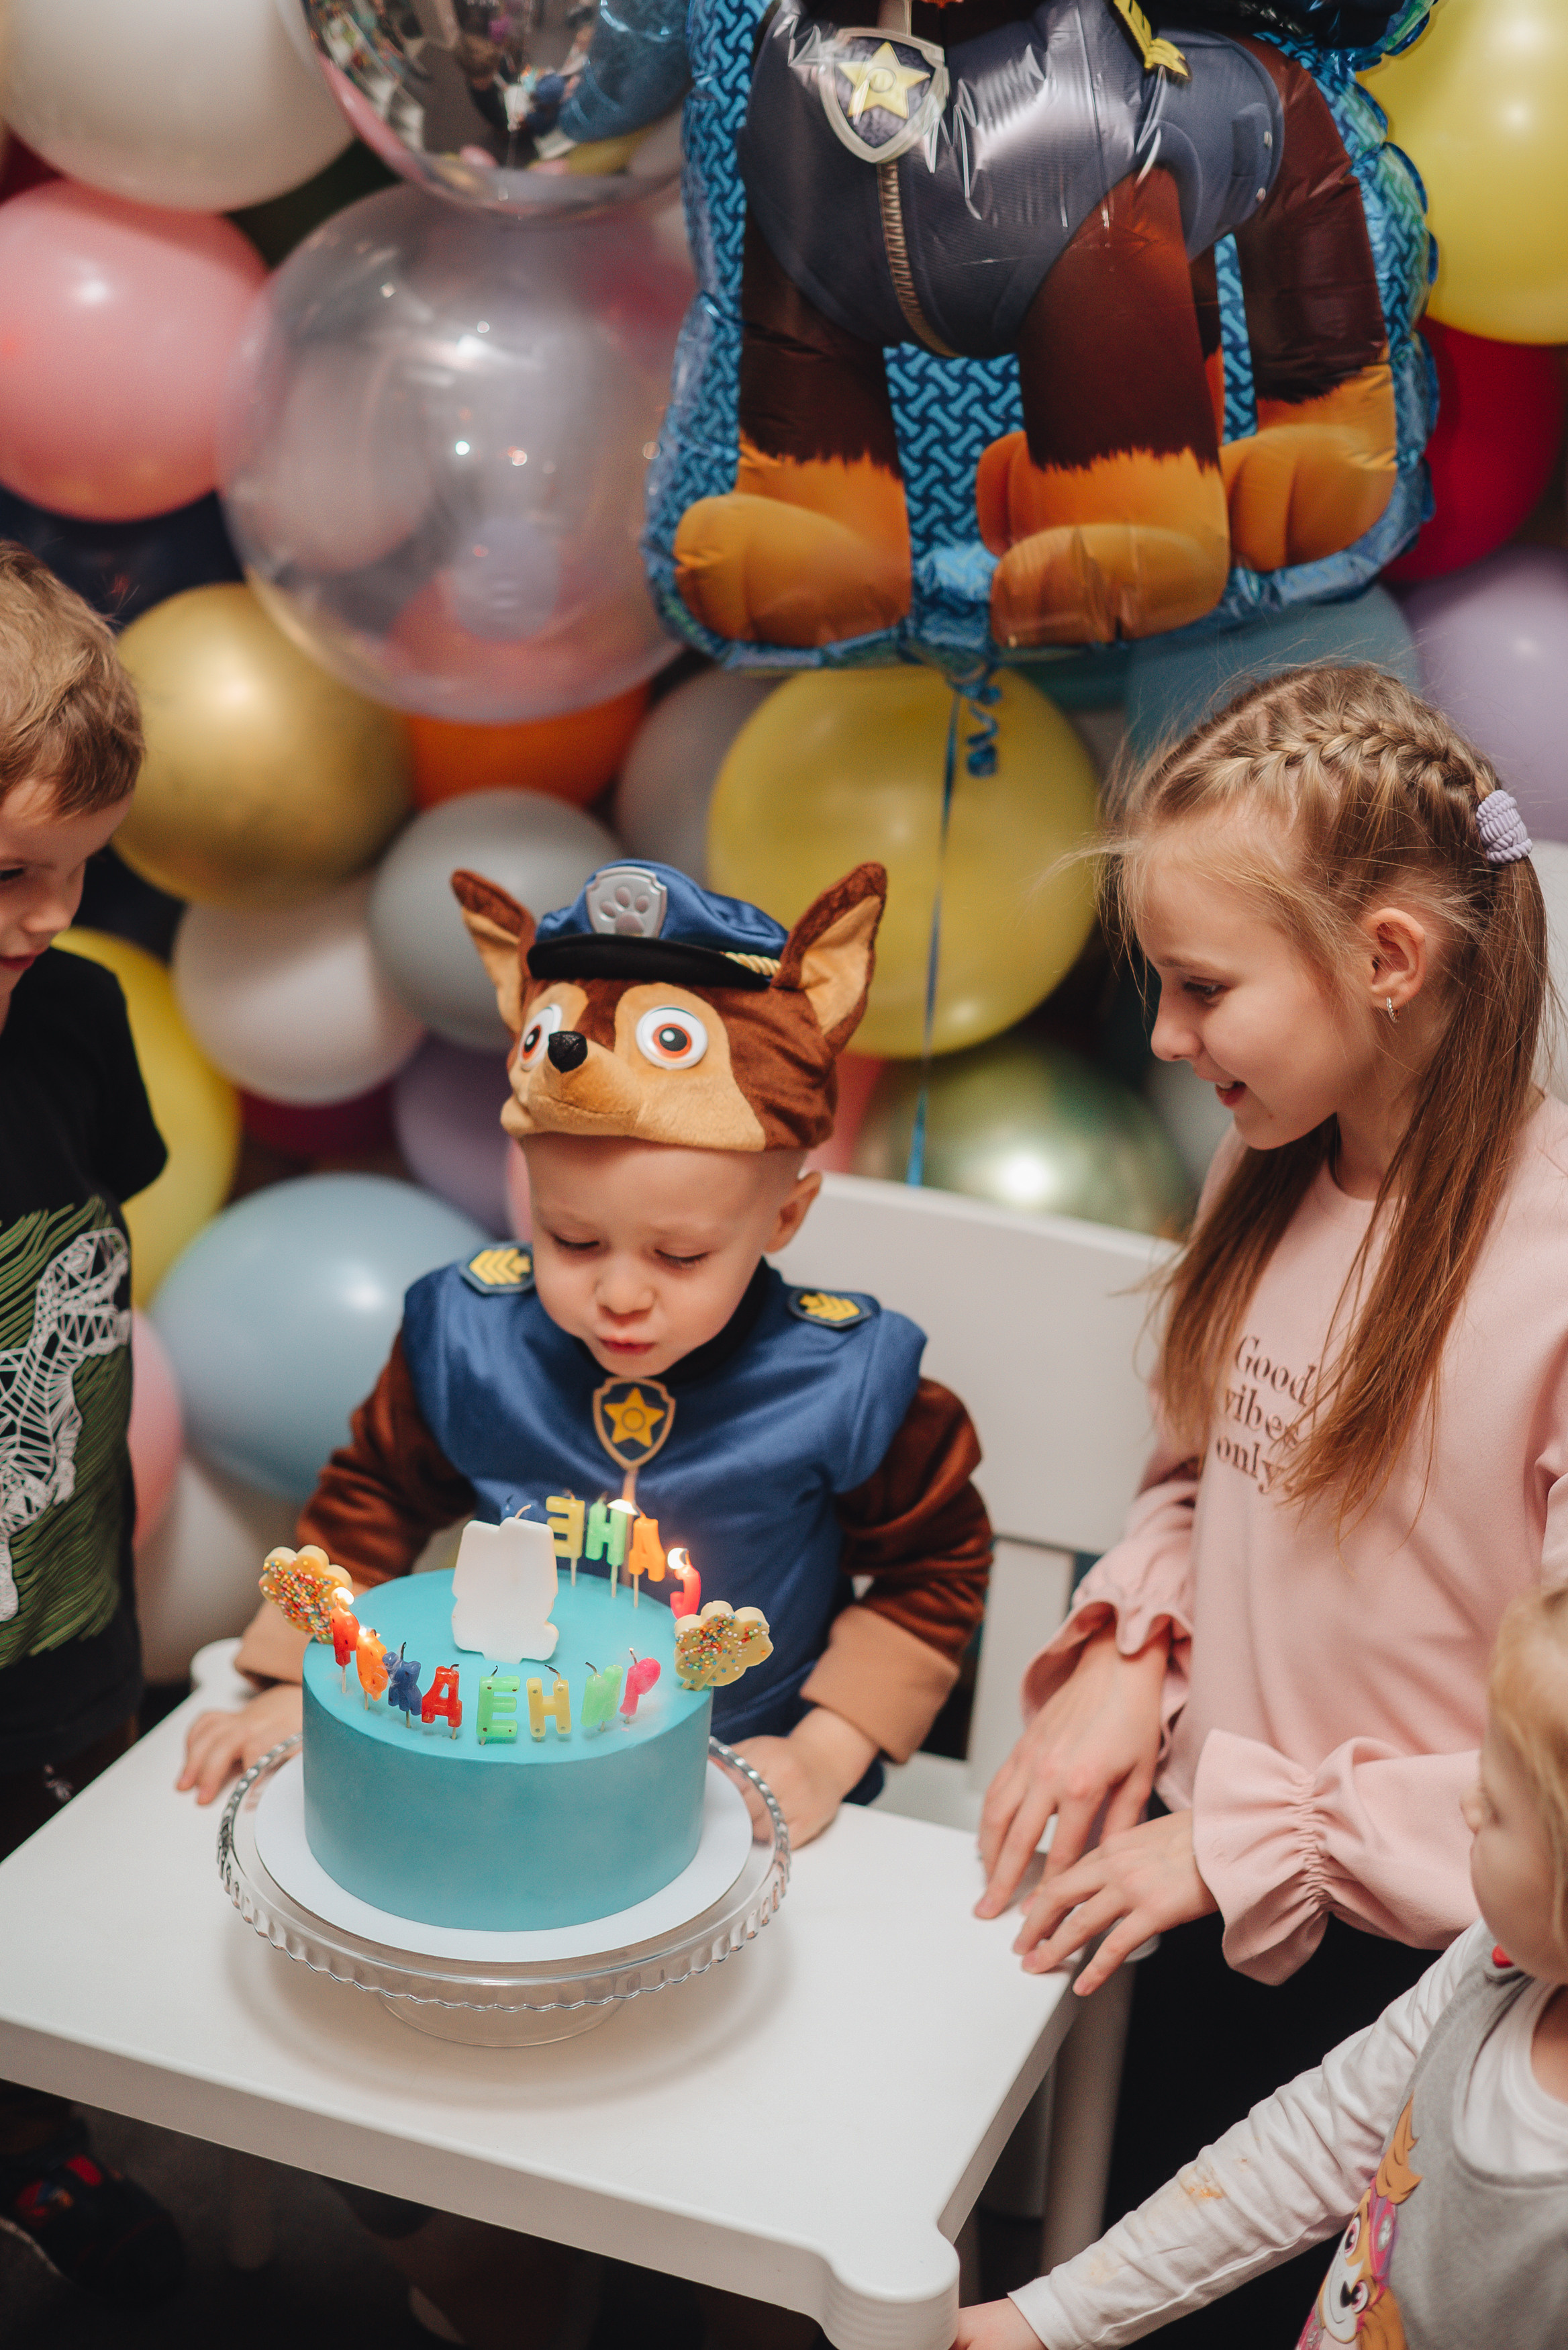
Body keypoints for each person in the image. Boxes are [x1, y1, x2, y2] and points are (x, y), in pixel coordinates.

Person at [180, 855, 991, 2349]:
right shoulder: (467, 1334)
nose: (621, 1295)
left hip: (744, 1812)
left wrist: (825, 1748)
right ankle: (503, 2289)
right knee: (384, 2104)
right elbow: (369, 1499)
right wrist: (292, 1680)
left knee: (752, 2166)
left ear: (792, 1210)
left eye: (681, 1254)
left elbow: (938, 1565)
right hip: (487, 1821)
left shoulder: (848, 1376)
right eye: (572, 1241)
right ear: (519, 1198)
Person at [975, 664, 1565, 2342]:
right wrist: (1125, 1651)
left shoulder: (1549, 1276)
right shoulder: (1262, 1157)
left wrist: (1243, 1842)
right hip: (1204, 1919)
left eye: (1199, 987)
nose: (1163, 1038)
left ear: (1385, 961)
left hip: (1438, 1978)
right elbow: (1196, 1472)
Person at [957, 1581, 1568, 2349]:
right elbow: (1315, 2141)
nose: (1467, 1807)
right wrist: (1046, 2317)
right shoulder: (1491, 1960)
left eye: (1502, 1805)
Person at [0, 545, 182, 2310]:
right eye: (3, 872)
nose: (42, 918)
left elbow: (87, 1271)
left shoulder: (77, 1018)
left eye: (70, 873)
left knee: (47, 1930)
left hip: (57, 1625)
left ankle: (43, 2151)